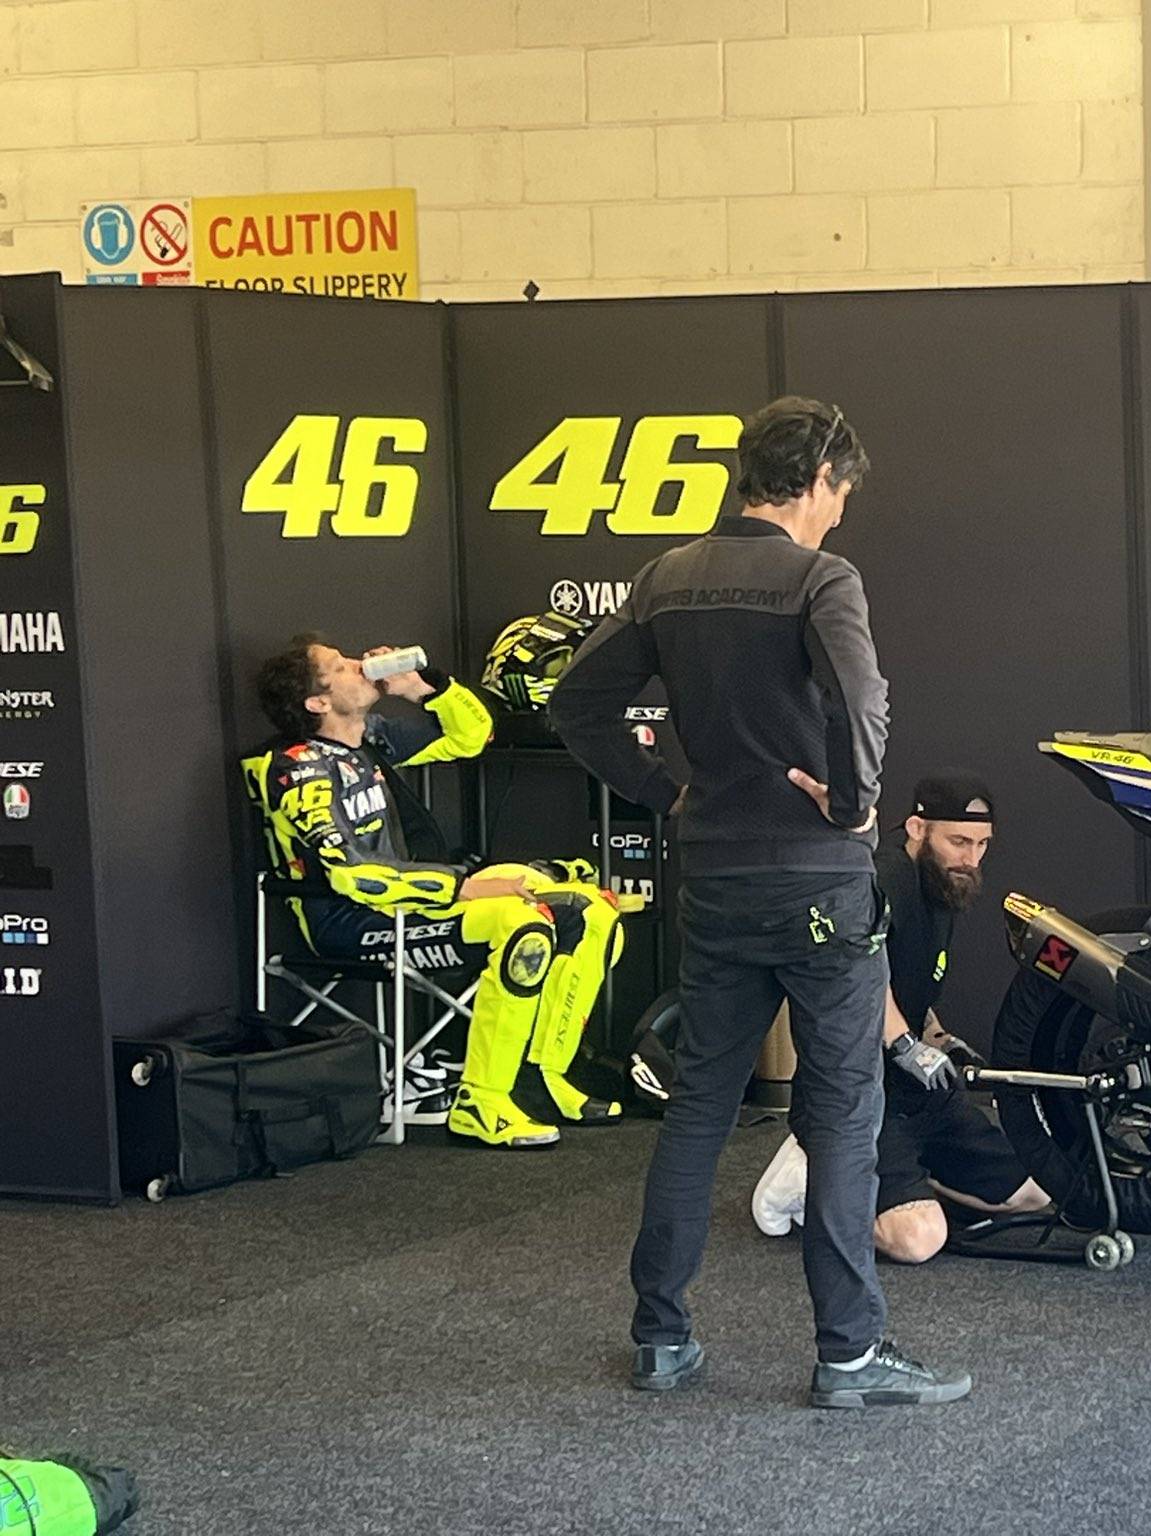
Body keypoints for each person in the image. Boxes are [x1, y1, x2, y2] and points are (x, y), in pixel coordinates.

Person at [549, 395, 970, 1410]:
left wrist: (667, 792)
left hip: (716, 877)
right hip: (817, 879)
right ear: (819, 480)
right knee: (843, 1111)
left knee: (700, 1104)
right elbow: (862, 697)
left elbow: (575, 702)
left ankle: (660, 1339)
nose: (840, 513)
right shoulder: (822, 576)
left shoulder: (666, 578)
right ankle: (849, 1356)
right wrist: (855, 804)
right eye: (841, 494)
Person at [244, 638, 625, 1151]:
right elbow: (352, 875)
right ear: (317, 701)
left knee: (591, 909)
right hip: (354, 925)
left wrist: (424, 689)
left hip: (413, 905)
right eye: (340, 666)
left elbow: (474, 735)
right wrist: (463, 888)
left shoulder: (372, 738)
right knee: (524, 926)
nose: (359, 665)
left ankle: (542, 1077)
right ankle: (481, 1101)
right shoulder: (296, 768)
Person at [750, 772, 1051, 1263]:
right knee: (918, 1239)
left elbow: (905, 983)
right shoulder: (880, 878)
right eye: (959, 842)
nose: (971, 858)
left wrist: (936, 1037)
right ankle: (807, 1177)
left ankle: (903, 1179)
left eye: (981, 844)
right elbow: (859, 977)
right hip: (854, 1094)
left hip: (912, 1091)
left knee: (1033, 1193)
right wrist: (904, 1045)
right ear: (916, 827)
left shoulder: (944, 881)